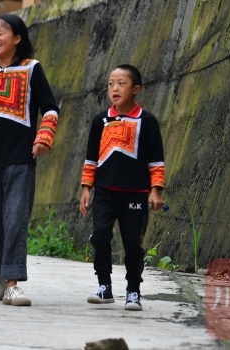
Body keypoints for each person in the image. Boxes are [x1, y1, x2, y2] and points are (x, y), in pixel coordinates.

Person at [0, 14, 60, 307]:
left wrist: (43, 137)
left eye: (1, 33)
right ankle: (1, 275)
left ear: (17, 38)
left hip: (20, 158)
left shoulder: (32, 69)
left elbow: (50, 108)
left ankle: (11, 285)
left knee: (14, 221)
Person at [79, 64, 165, 312]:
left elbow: (156, 160)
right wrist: (86, 188)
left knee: (132, 244)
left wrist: (155, 190)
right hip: (104, 193)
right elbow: (91, 158)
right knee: (100, 236)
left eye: (121, 83)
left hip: (136, 194)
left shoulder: (147, 122)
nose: (114, 88)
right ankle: (104, 286)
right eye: (110, 84)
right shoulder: (101, 120)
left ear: (136, 89)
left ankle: (133, 291)